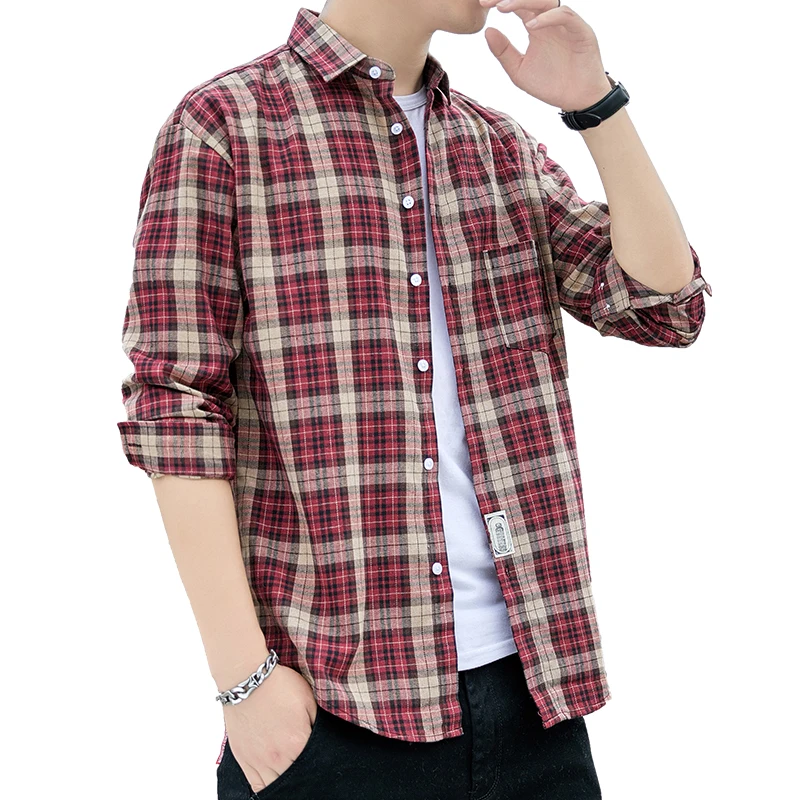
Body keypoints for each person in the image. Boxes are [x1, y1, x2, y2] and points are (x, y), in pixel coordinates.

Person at [116, 1, 712, 798]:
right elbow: (177, 407)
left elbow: (663, 308)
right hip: (335, 710)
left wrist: (595, 104)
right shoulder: (227, 127)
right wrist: (245, 685)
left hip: (534, 698)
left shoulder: (496, 145)